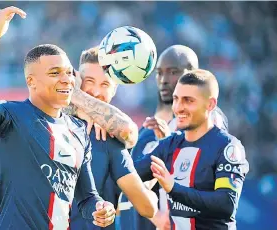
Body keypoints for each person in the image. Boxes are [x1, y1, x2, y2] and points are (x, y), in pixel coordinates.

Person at [0, 7, 116, 230]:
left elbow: (87, 198)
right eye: (55, 73)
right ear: (31, 81)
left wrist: (101, 208)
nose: (66, 79)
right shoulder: (12, 118)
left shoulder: (79, 131)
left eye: (69, 72)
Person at [118, 45, 229, 230]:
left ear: (192, 74)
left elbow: (201, 170)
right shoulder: (148, 130)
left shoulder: (209, 119)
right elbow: (135, 182)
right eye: (159, 73)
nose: (164, 80)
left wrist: (171, 145)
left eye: (173, 72)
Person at [135, 69, 249, 230]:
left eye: (188, 101)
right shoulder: (169, 145)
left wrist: (173, 188)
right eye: (176, 99)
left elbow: (226, 204)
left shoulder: (227, 146)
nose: (178, 108)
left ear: (210, 104)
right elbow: (129, 175)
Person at [70, 47, 159, 229]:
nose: (95, 92)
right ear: (77, 80)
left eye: (104, 84)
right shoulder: (51, 124)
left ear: (115, 89)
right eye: (89, 81)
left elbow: (147, 207)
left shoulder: (110, 139)